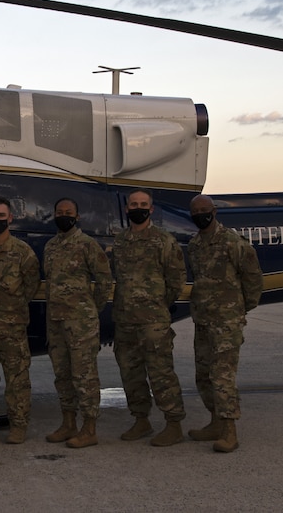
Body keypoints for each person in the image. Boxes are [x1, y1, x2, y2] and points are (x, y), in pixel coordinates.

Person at [187, 194, 263, 453]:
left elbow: (253, 276)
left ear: (214, 211)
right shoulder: (195, 244)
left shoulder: (232, 242)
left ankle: (230, 430)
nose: (200, 214)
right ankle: (215, 422)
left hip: (226, 322)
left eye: (204, 209)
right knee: (203, 376)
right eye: (195, 210)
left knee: (222, 377)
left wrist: (241, 308)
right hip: (203, 321)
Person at [111, 189, 186, 446]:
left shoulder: (164, 241)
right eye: (134, 204)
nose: (138, 208)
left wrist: (158, 305)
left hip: (153, 321)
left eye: (143, 204)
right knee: (130, 373)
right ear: (126, 209)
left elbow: (176, 280)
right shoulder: (120, 242)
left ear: (151, 209)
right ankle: (141, 420)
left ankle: (173, 424)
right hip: (125, 321)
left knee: (161, 372)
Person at [43, 197, 112, 448]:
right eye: (59, 212)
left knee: (84, 376)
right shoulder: (51, 246)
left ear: (77, 216)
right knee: (62, 375)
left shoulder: (87, 245)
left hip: (80, 322)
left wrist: (91, 309)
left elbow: (104, 281)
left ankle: (89, 428)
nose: (64, 215)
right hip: (56, 322)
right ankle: (68, 423)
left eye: (68, 212)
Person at [0, 197, 40, 445]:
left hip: (12, 327)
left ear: (10, 218)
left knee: (17, 380)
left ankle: (18, 426)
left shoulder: (22, 252)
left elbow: (31, 285)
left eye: (1, 216)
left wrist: (12, 309)